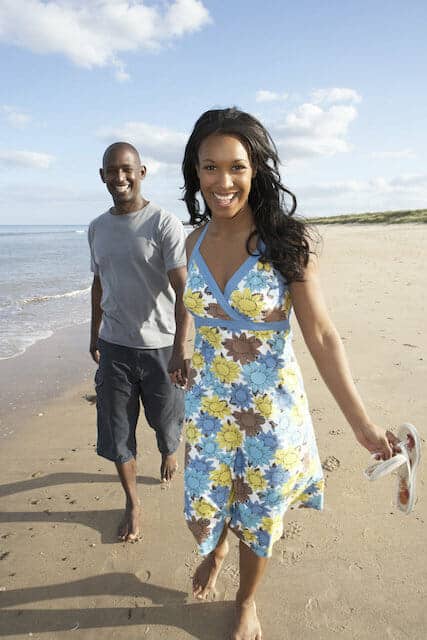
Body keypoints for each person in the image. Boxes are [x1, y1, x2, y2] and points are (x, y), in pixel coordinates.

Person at [171, 108, 400, 640]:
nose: (222, 182)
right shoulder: (192, 243)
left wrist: (362, 426)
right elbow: (193, 314)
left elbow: (320, 335)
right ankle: (218, 544)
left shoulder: (286, 243)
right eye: (209, 168)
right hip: (207, 407)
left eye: (236, 167)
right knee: (207, 505)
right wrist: (182, 346)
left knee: (259, 513)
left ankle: (246, 598)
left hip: (268, 412)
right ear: (195, 172)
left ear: (256, 171)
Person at [88, 141, 191, 543]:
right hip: (114, 345)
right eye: (112, 171)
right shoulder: (97, 227)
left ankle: (168, 448)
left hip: (161, 347)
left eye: (127, 169)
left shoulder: (163, 222)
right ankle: (132, 501)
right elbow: (98, 283)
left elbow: (184, 290)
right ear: (102, 176)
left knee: (166, 421)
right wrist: (93, 331)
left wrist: (181, 348)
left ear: (142, 172)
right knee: (116, 431)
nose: (120, 177)